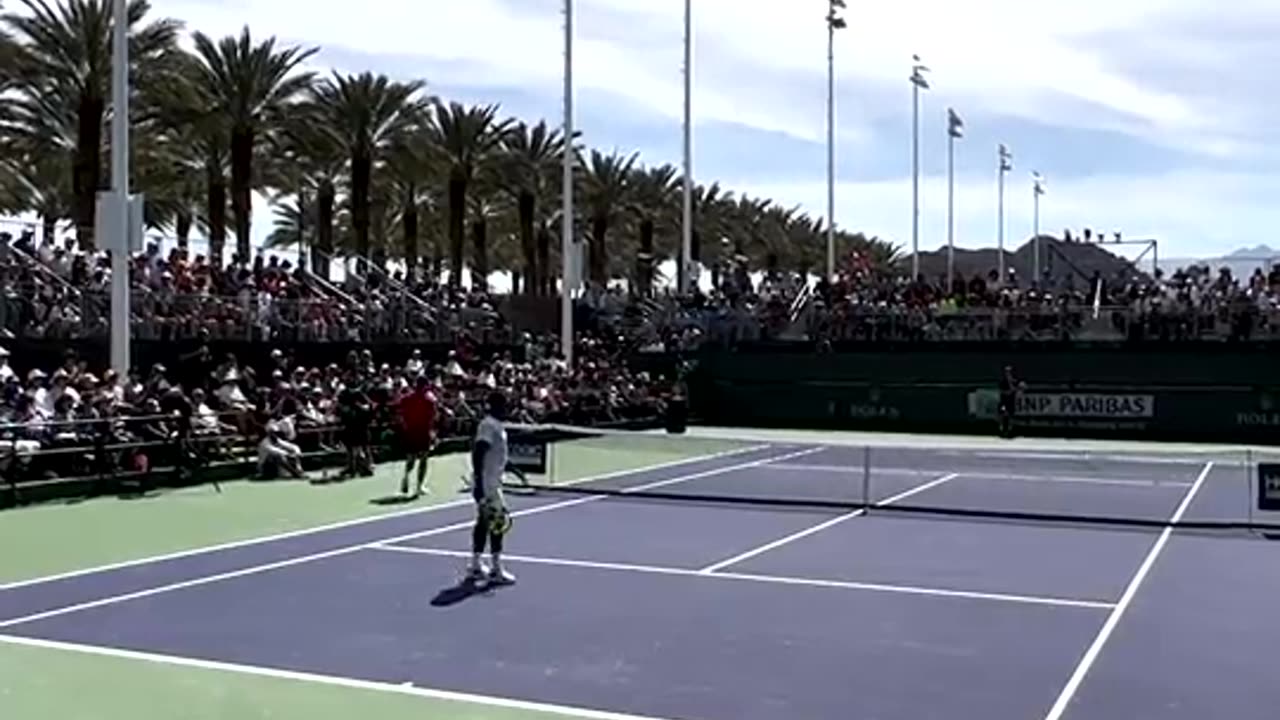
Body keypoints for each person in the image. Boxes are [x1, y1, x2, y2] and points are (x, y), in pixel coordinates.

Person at [466, 391, 516, 587]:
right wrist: (479, 483)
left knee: (484, 522)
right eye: (505, 404)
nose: (508, 408)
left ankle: (476, 565)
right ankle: (496, 569)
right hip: (487, 484)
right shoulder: (488, 425)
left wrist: (511, 467)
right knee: (498, 523)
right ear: (497, 406)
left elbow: (495, 454)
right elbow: (478, 453)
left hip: (492, 482)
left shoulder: (496, 426)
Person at [397, 373, 437, 498]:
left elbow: (400, 415)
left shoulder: (406, 398)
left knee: (410, 458)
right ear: (425, 386)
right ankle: (419, 486)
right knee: (423, 459)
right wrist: (432, 432)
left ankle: (406, 477)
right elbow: (432, 417)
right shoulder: (429, 400)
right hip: (423, 432)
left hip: (410, 431)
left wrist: (405, 427)